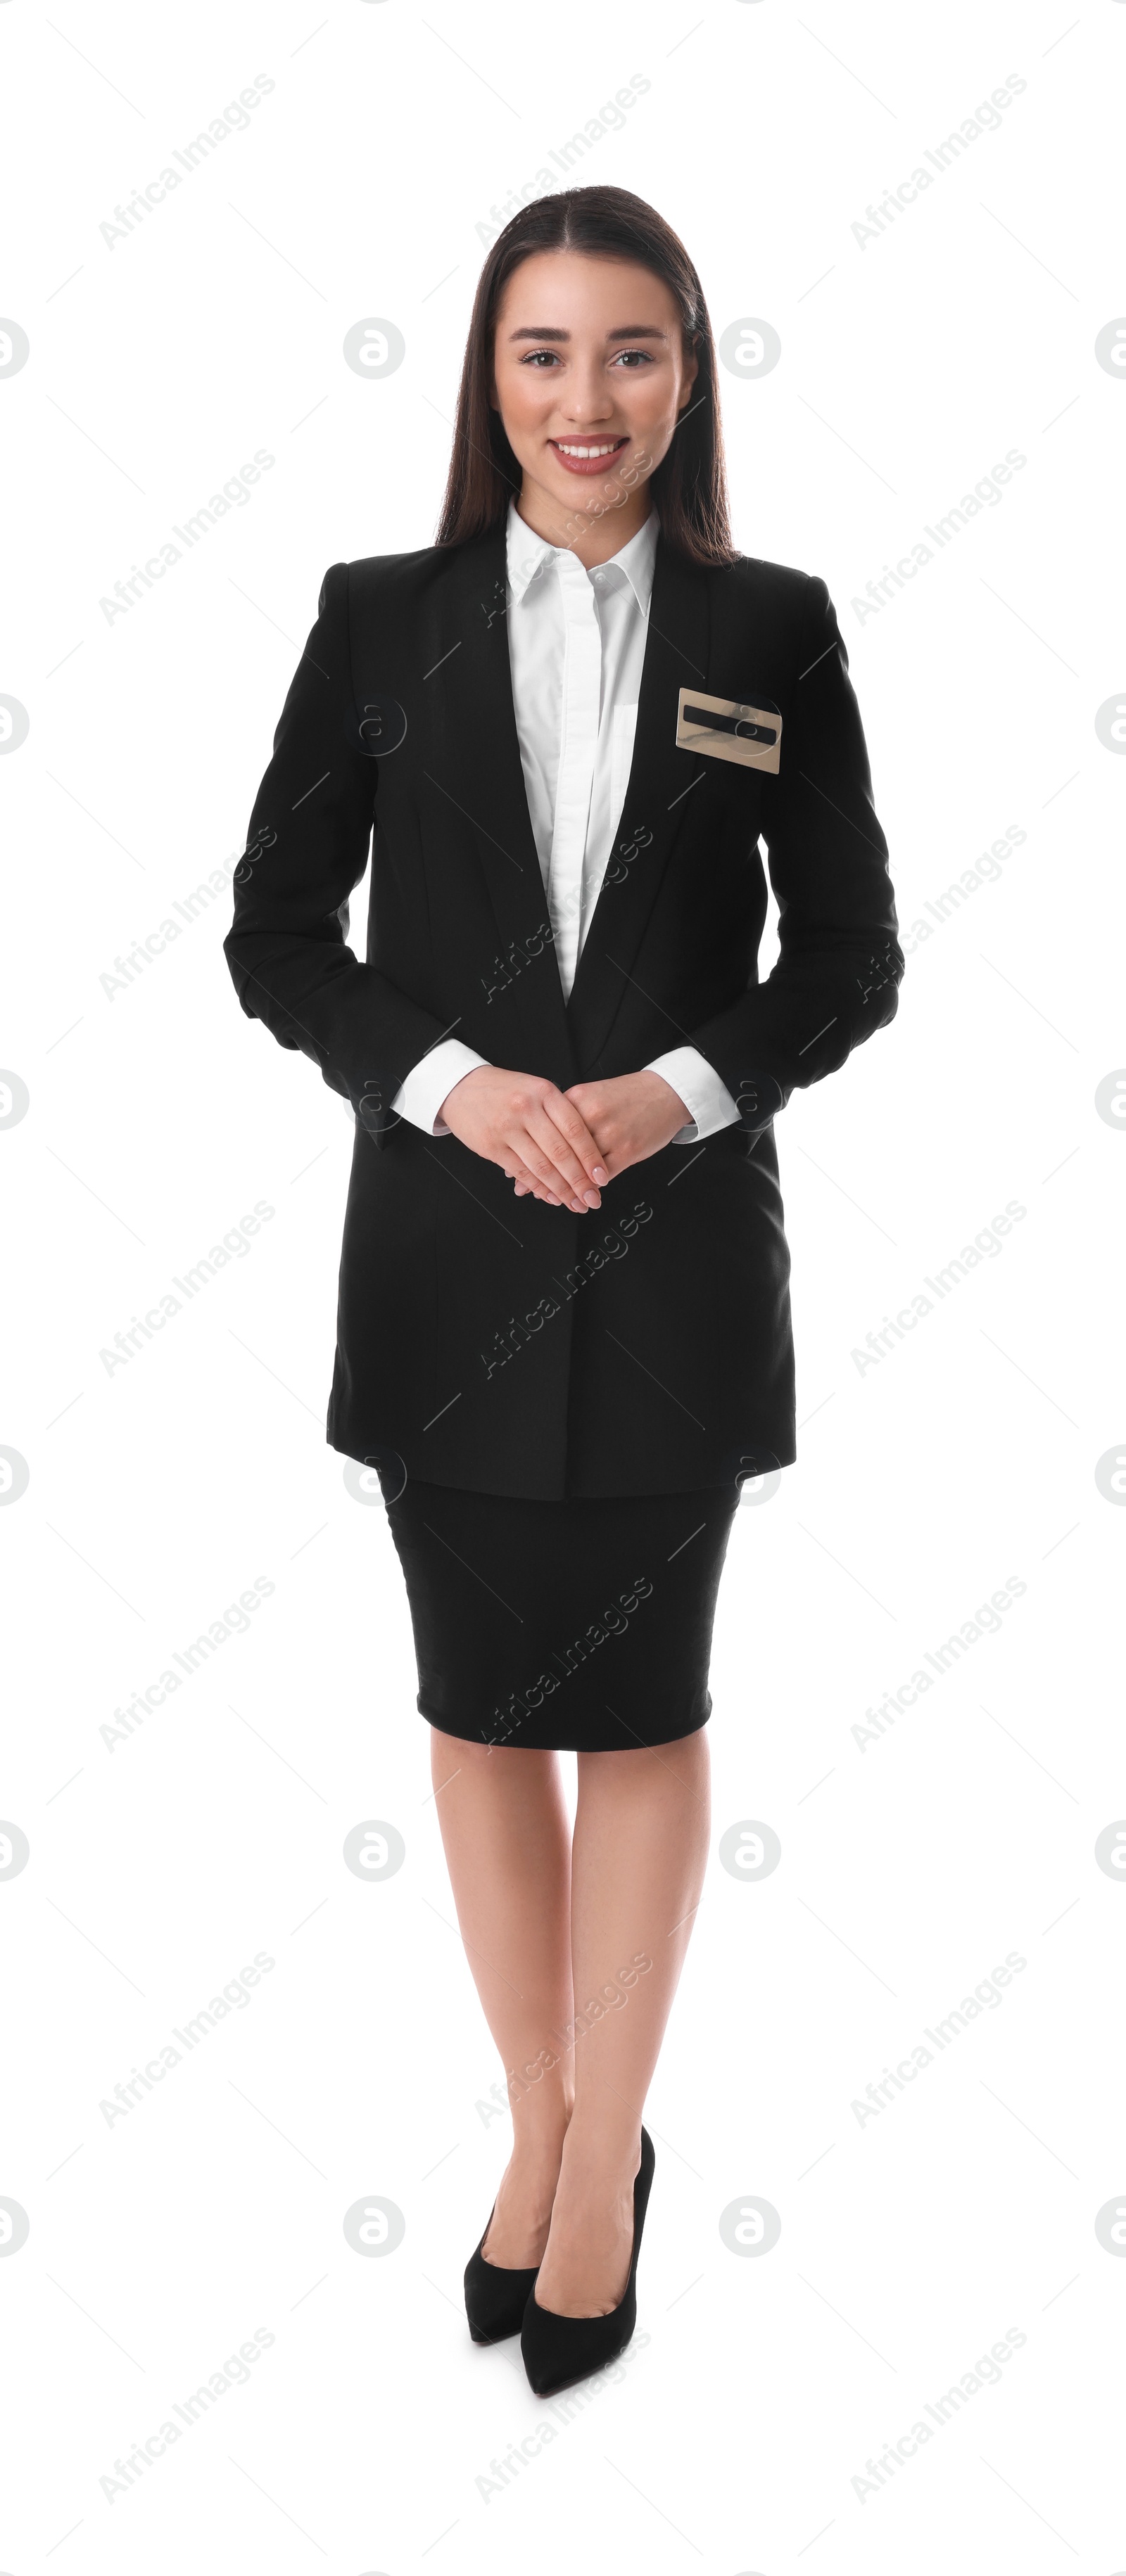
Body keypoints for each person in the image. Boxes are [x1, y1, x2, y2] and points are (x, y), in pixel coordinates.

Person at [223, 184, 904, 2397]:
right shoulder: (374, 615)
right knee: (479, 1712)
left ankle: (604, 2152)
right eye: (542, 351)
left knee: (649, 1717)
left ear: (688, 374)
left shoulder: (773, 628)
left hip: (684, 1269)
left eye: (631, 351)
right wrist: (447, 1082)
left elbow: (856, 961)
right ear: (486, 375)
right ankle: (548, 2124)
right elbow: (272, 935)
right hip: (443, 1274)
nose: (585, 397)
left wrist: (683, 1092)